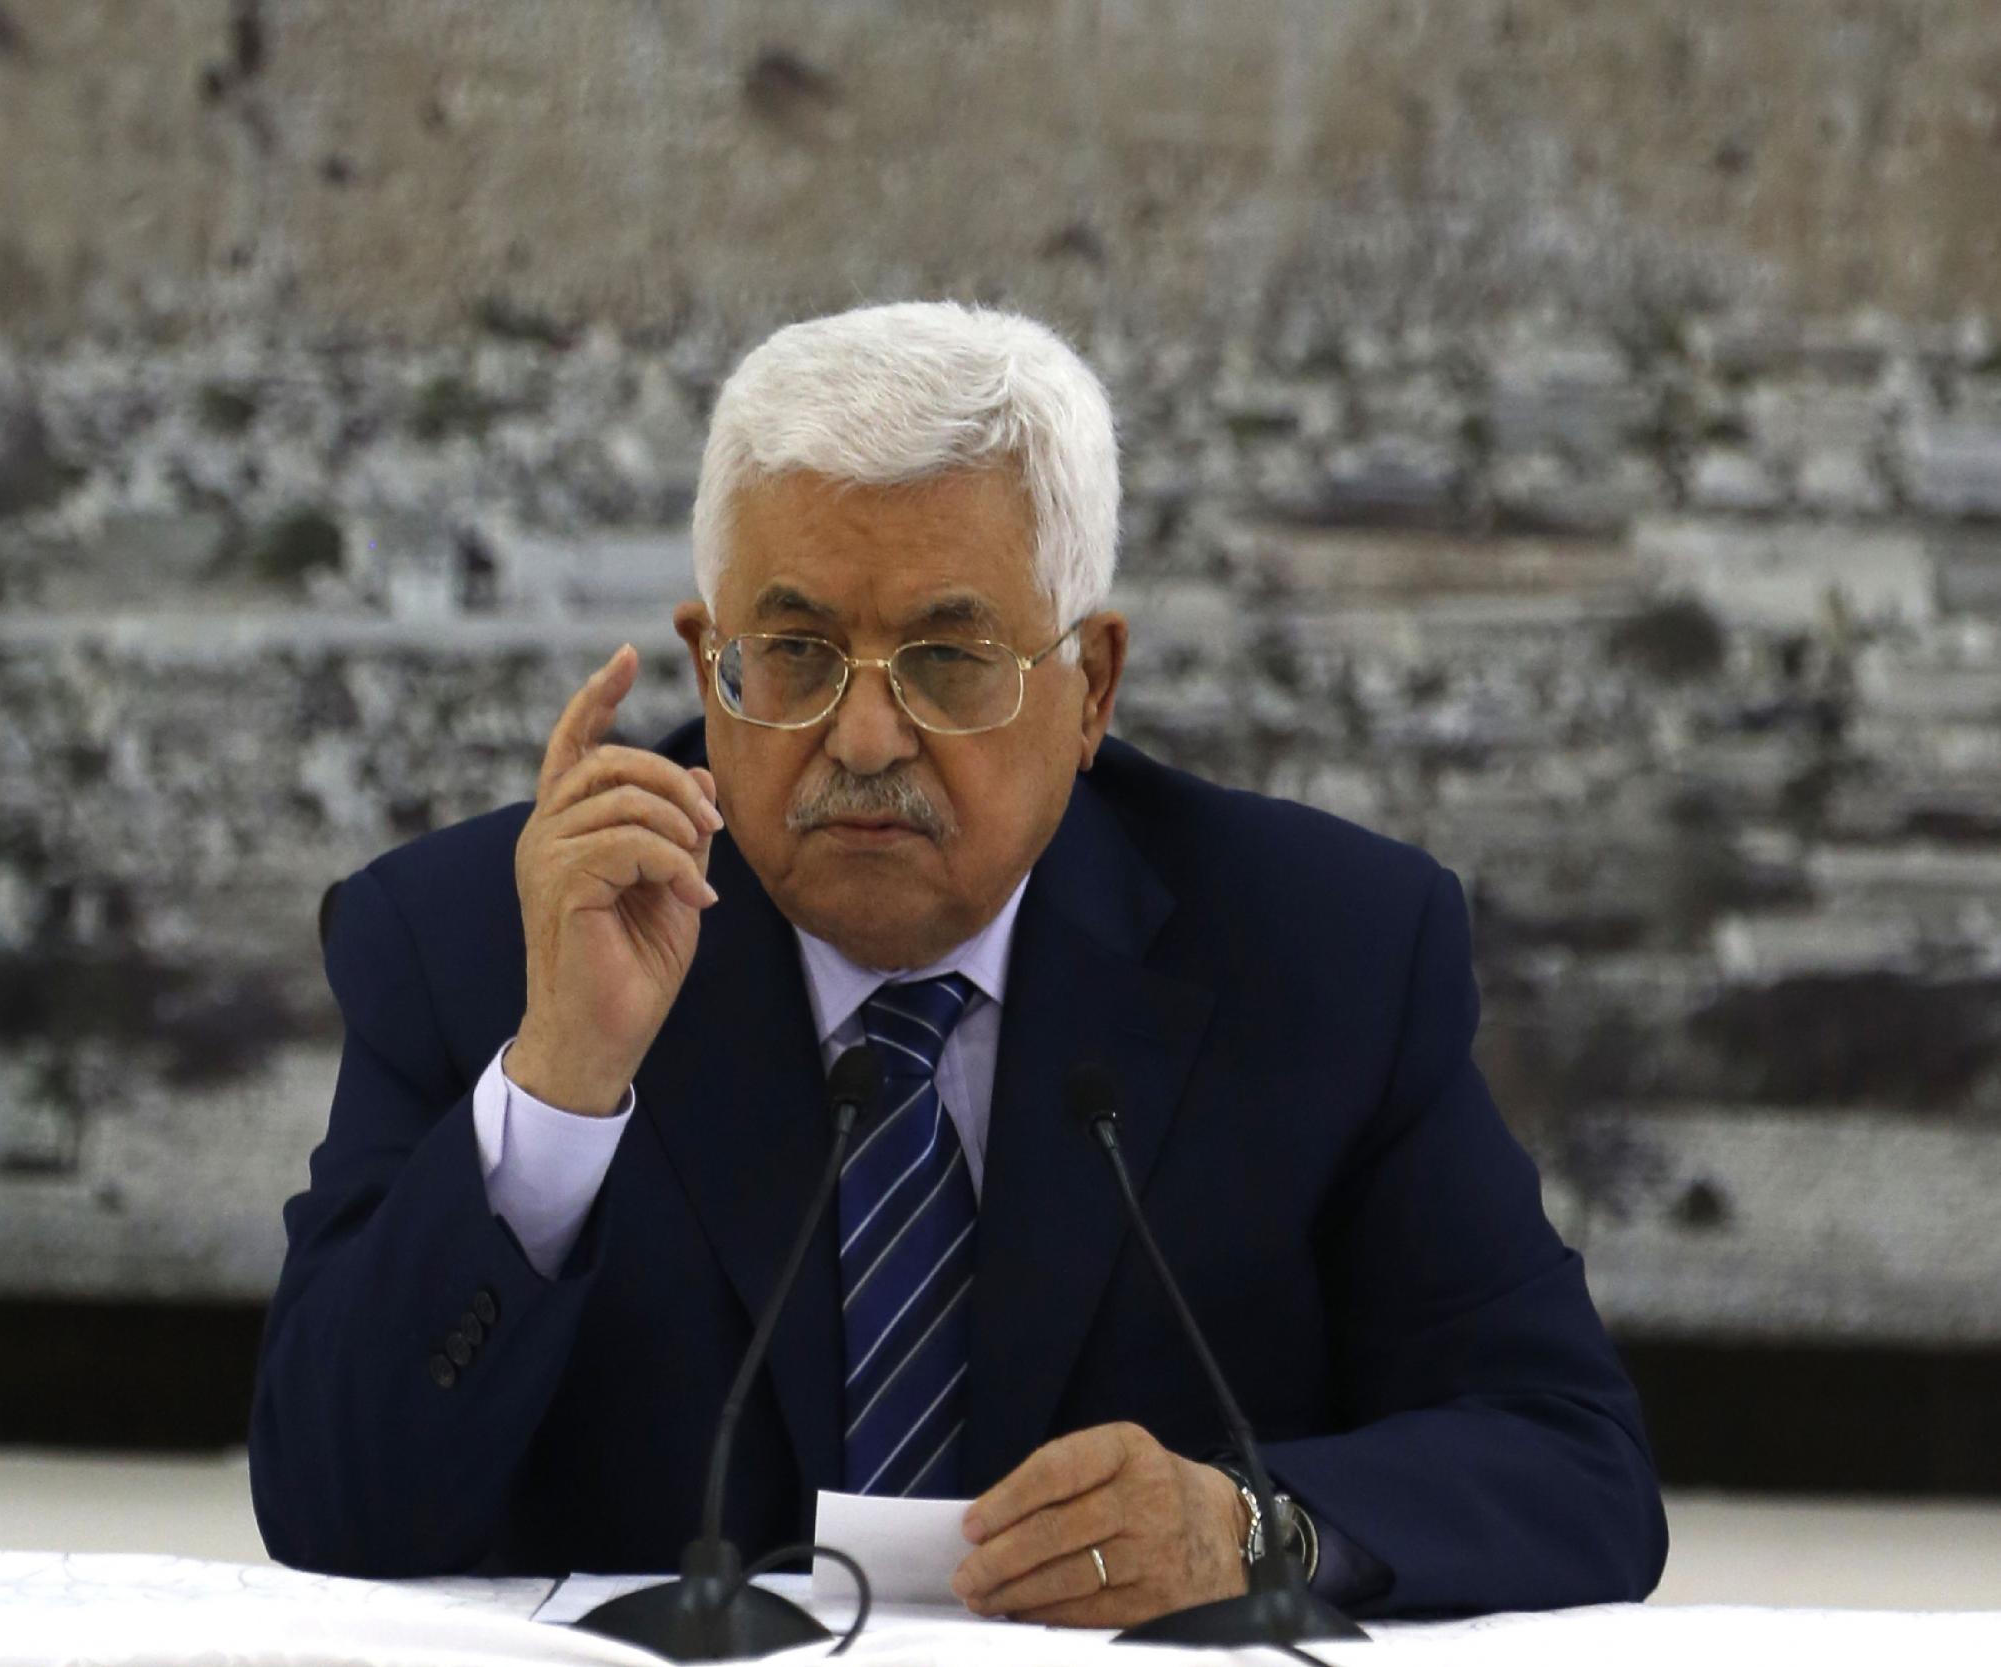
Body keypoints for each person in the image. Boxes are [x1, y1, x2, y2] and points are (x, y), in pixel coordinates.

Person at [250, 301, 1667, 1625]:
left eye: (948, 658)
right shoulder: (477, 940)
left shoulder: (1327, 954)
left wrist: (1252, 1530)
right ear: (706, 668)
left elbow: (1573, 1466)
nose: (864, 743)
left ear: (1092, 685)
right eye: (794, 652)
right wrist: (560, 1077)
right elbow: (332, 1512)